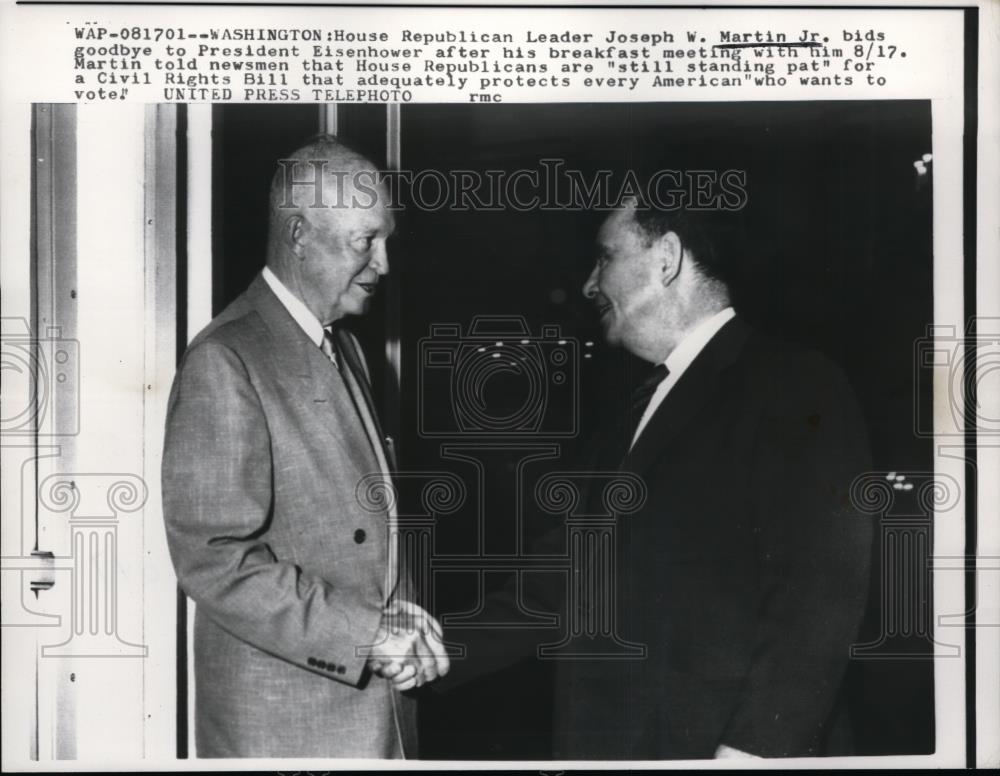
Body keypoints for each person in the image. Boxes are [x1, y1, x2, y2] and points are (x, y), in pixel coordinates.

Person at [440, 197, 873, 759]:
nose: (589, 284)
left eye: (605, 257)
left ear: (666, 258)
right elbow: (560, 581)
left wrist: (752, 751)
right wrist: (436, 651)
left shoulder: (795, 385)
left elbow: (821, 592)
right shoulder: (628, 416)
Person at [161, 136, 448, 758]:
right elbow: (214, 561)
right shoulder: (226, 358)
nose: (383, 264)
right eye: (364, 240)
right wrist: (368, 634)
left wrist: (400, 616)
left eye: (385, 240)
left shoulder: (345, 347)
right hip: (287, 730)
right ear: (297, 235)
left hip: (372, 719)